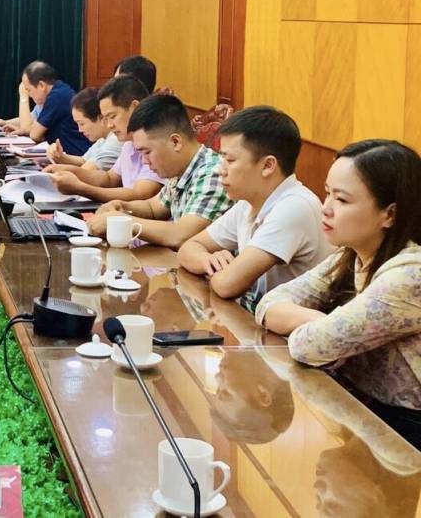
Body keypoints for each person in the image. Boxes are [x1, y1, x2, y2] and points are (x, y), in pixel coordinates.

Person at [255, 139, 421, 449]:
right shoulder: (352, 254)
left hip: (406, 433)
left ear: (390, 214)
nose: (326, 207)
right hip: (363, 412)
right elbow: (268, 304)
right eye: (327, 192)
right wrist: (324, 321)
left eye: (342, 199)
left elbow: (309, 346)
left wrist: (326, 331)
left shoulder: (410, 275)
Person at [178, 106, 332, 310]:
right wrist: (208, 261)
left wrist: (220, 272)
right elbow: (188, 248)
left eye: (229, 160)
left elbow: (226, 285)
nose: (220, 170)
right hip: (258, 320)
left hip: (294, 327)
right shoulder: (248, 203)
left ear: (267, 166)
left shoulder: (295, 206)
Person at [84, 94, 230, 249]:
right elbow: (153, 208)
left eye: (147, 152)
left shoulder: (213, 173)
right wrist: (121, 206)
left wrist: (121, 221)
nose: (145, 161)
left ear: (175, 142)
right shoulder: (181, 169)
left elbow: (181, 235)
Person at [47, 74, 165, 202]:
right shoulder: (128, 142)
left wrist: (80, 188)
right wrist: (69, 170)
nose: (109, 125)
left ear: (134, 108)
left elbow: (140, 195)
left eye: (112, 116)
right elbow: (110, 178)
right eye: (106, 118)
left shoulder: (157, 141)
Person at [45, 87, 122, 171]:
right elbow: (84, 160)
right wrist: (59, 156)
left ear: (101, 118)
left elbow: (86, 171)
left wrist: (55, 171)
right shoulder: (103, 139)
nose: (80, 130)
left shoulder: (116, 141)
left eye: (82, 124)